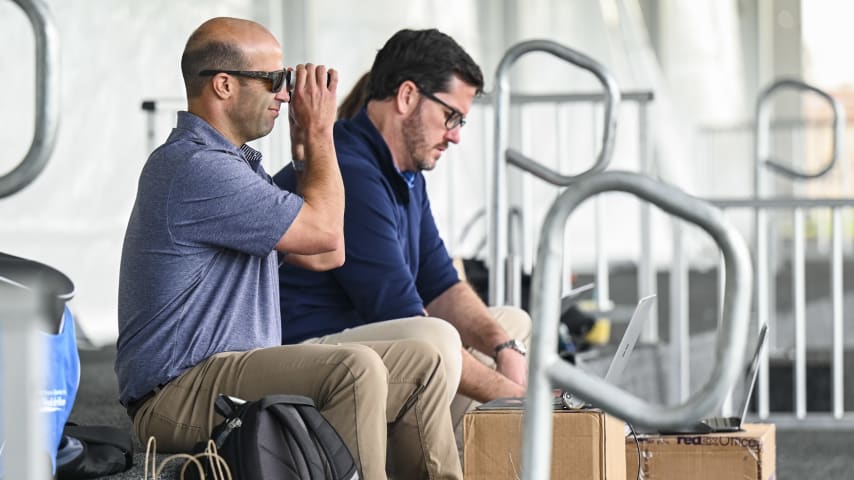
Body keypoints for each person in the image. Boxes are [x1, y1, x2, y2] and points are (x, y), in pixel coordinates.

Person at [114, 17, 461, 480]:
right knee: (354, 369)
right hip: (178, 392)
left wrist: (304, 155)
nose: (285, 94)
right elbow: (327, 235)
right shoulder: (194, 166)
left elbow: (324, 256)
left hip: (234, 370)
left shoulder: (236, 166)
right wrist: (322, 132)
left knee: (425, 356)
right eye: (275, 80)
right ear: (223, 86)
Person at [273, 28, 533, 443]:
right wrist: (523, 400)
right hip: (309, 357)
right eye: (452, 117)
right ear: (408, 96)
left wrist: (504, 348)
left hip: (369, 344)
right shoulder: (352, 170)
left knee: (509, 324)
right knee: (434, 338)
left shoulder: (406, 174)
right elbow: (402, 316)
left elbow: (442, 285)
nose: (456, 135)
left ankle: (481, 456)